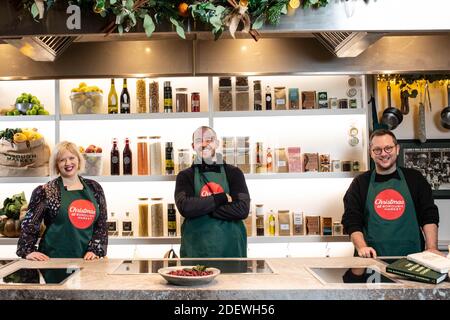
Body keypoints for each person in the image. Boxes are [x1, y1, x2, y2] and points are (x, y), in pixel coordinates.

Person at [342, 129, 442, 258]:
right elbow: (352, 219)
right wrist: (362, 247)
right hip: (371, 258)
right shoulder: (360, 183)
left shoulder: (415, 179)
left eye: (388, 148)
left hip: (412, 256)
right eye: (377, 149)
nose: (383, 154)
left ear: (397, 149)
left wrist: (432, 248)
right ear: (371, 153)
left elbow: (429, 215)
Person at [17, 141, 108, 261]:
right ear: (56, 164)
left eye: (71, 158)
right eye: (62, 160)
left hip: (86, 260)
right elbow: (30, 225)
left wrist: (95, 249)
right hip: (53, 260)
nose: (68, 163)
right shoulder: (46, 191)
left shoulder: (94, 188)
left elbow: (101, 224)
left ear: (79, 160)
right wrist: (27, 250)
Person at [174, 126, 250, 258]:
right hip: (196, 249)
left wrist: (201, 209)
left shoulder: (234, 173)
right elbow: (185, 207)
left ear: (217, 143)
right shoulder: (185, 175)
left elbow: (243, 209)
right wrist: (221, 198)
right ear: (193, 146)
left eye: (209, 140)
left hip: (231, 249)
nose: (204, 144)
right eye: (199, 140)